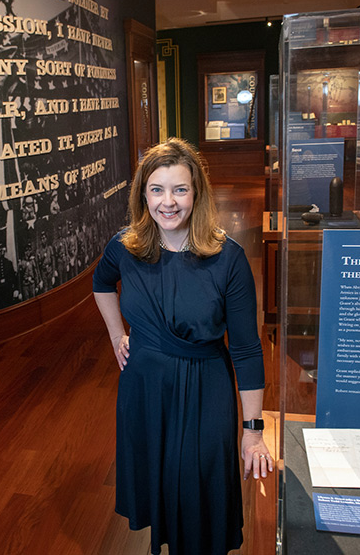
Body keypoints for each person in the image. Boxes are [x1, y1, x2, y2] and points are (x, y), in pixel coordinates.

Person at [92, 138, 271, 555]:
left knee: (199, 497)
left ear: (197, 193)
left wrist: (253, 431)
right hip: (145, 387)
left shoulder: (228, 259)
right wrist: (117, 333)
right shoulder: (126, 245)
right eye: (157, 189)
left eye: (180, 189)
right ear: (143, 194)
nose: (167, 202)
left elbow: (246, 349)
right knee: (161, 487)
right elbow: (101, 284)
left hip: (204, 388)